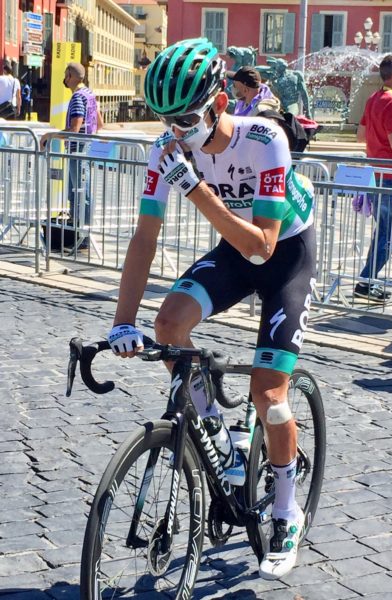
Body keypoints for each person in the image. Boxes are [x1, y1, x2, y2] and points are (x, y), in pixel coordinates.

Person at [108, 38, 316, 580]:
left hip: (284, 254)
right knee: (168, 324)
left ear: (219, 104)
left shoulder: (265, 139)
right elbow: (144, 238)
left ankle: (285, 510)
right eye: (164, 120)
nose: (174, 133)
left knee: (269, 395)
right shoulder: (166, 149)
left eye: (184, 119)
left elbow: (262, 247)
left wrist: (196, 188)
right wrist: (122, 321)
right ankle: (220, 437)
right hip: (234, 249)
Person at [354, 54, 392, 303]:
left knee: (383, 231)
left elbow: (360, 136)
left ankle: (367, 282)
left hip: (376, 174)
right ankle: (365, 280)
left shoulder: (373, 98)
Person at [40, 62, 103, 248]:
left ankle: (81, 236)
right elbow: (100, 124)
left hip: (77, 149)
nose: (64, 79)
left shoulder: (77, 97)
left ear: (70, 76)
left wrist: (50, 135)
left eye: (66, 75)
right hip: (86, 147)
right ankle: (81, 234)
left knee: (78, 193)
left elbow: (74, 129)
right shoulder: (90, 94)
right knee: (80, 192)